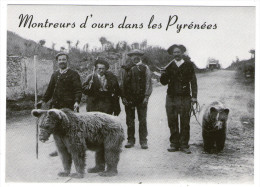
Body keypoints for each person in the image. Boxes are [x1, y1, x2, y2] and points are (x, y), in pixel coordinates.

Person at [36, 52, 82, 156]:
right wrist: (43, 101)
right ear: (57, 62)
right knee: (56, 128)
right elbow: (49, 90)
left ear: (67, 60)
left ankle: (71, 148)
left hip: (69, 106)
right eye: (60, 60)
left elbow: (78, 90)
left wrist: (77, 101)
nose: (61, 61)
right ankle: (59, 148)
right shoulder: (55, 74)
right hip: (56, 106)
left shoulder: (73, 74)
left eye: (63, 59)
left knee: (69, 128)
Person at [160, 44, 197, 154]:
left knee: (185, 121)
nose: (176, 54)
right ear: (172, 54)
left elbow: (193, 81)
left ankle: (184, 144)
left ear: (182, 53)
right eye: (174, 52)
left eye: (178, 52)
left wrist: (194, 96)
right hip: (171, 97)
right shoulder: (169, 66)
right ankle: (174, 143)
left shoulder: (189, 65)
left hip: (185, 97)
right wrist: (163, 75)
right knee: (172, 120)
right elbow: (163, 82)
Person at [121, 49, 153, 149]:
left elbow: (148, 82)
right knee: (130, 120)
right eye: (133, 55)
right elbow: (121, 83)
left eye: (137, 55)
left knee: (142, 120)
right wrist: (123, 97)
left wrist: (146, 96)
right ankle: (130, 140)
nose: (135, 57)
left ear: (141, 57)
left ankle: (143, 141)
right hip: (129, 98)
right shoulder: (125, 68)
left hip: (141, 98)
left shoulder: (145, 68)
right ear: (130, 57)